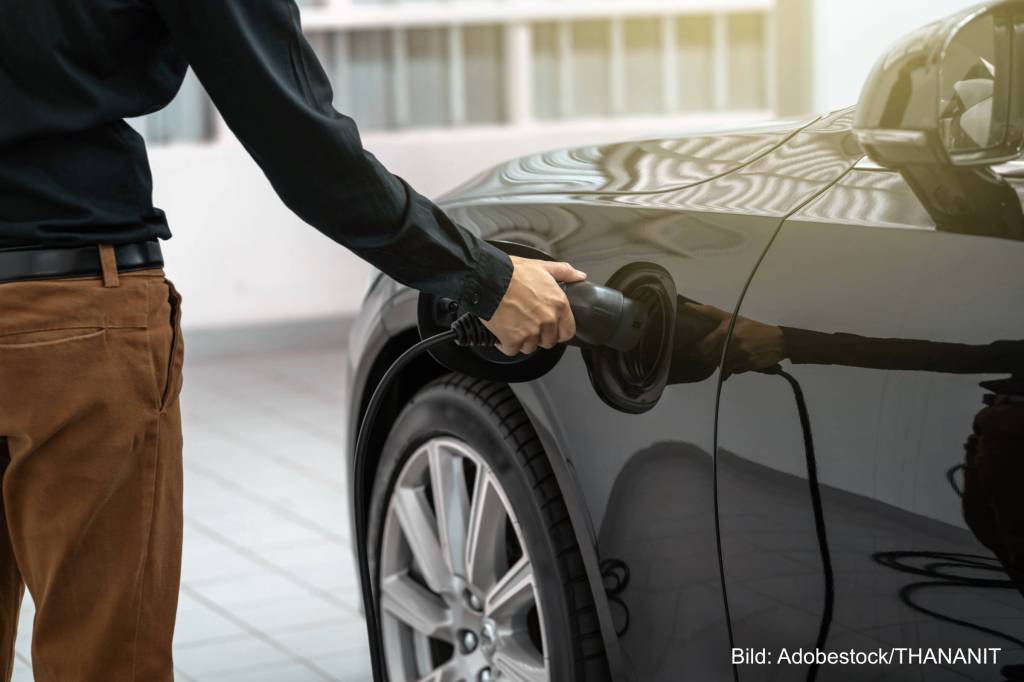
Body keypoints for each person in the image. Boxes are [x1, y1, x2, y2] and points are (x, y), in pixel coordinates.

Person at [0, 2, 582, 679]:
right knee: (102, 663)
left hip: (64, 307)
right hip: (70, 316)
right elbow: (300, 141)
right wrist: (485, 278)